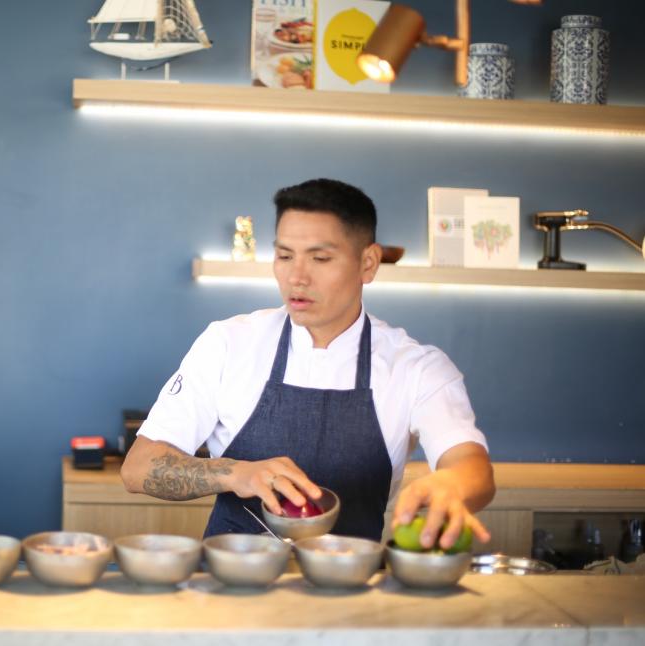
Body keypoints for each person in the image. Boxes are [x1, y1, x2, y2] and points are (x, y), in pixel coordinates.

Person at [121, 178, 495, 550]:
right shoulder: (228, 343)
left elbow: (470, 464)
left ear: (368, 263)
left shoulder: (415, 367)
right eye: (285, 256)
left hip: (348, 589)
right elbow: (138, 468)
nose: (296, 277)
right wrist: (236, 473)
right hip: (230, 589)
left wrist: (453, 485)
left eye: (320, 258)